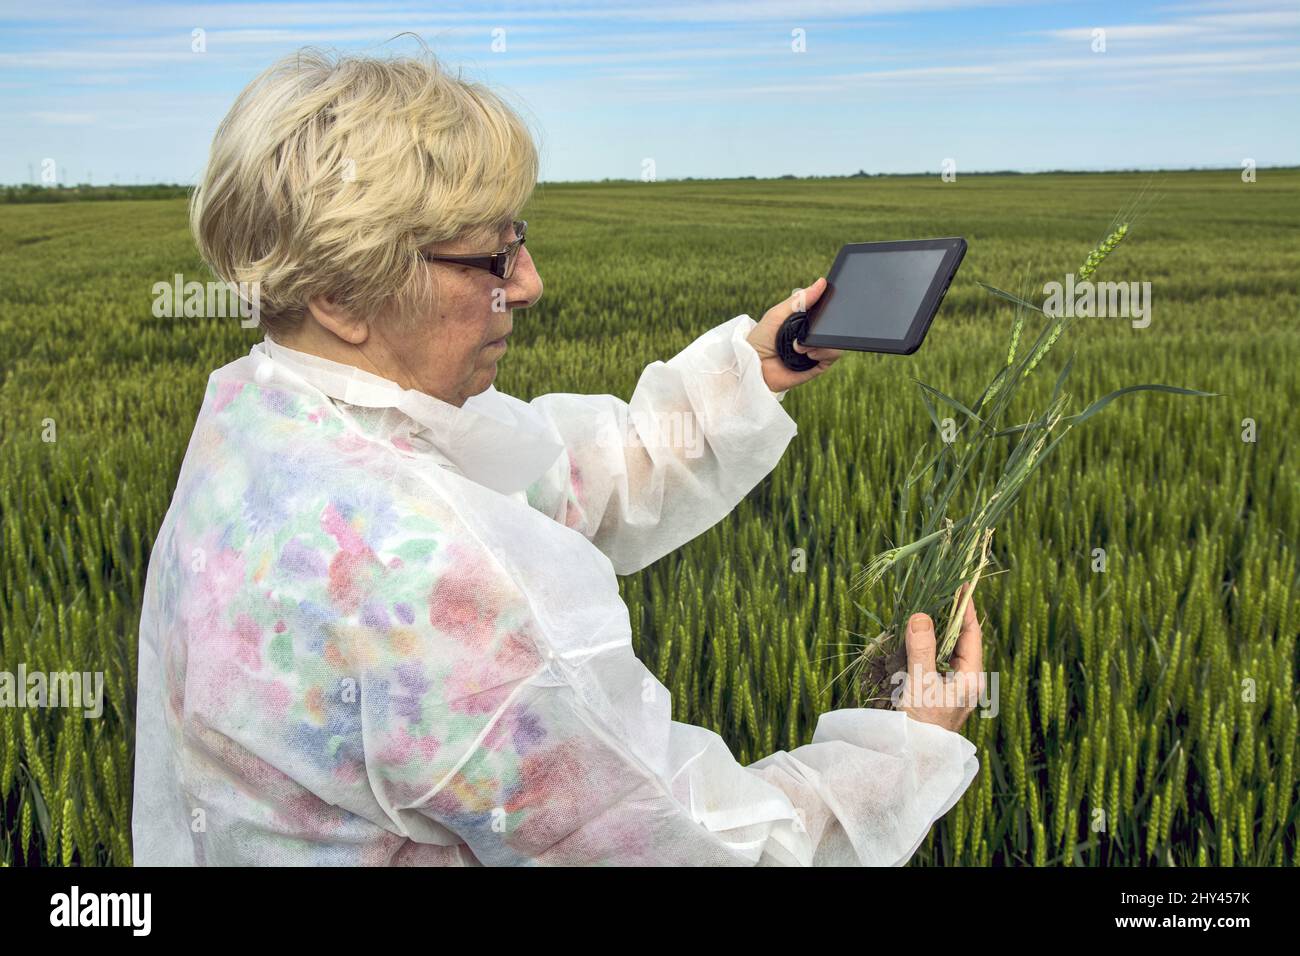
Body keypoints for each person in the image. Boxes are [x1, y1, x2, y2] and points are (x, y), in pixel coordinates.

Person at [132, 47, 982, 866]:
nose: (530, 282)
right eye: (494, 256)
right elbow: (698, 854)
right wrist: (906, 758)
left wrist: (747, 375)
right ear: (342, 295)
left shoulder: (259, 424)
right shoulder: (435, 588)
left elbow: (549, 475)